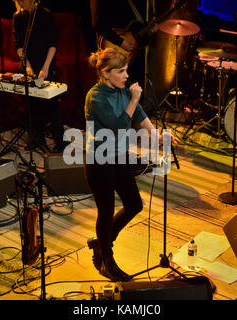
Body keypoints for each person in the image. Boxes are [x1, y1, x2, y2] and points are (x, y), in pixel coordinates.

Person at [84, 48, 177, 281]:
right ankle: (106, 259)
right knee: (105, 211)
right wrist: (134, 98)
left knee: (134, 204)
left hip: (120, 155)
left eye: (126, 70)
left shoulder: (122, 91)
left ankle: (102, 241)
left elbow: (139, 114)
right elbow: (118, 124)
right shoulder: (95, 97)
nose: (127, 75)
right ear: (106, 74)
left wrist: (157, 134)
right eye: (121, 71)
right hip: (99, 160)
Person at [12, 0, 65, 153]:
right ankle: (37, 138)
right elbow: (19, 45)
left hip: (46, 63)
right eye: (19, 1)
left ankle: (60, 142)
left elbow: (53, 43)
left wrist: (46, 67)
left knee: (52, 104)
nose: (22, 4)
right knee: (33, 104)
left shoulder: (44, 15)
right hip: (30, 64)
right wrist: (27, 66)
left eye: (24, 1)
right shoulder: (18, 17)